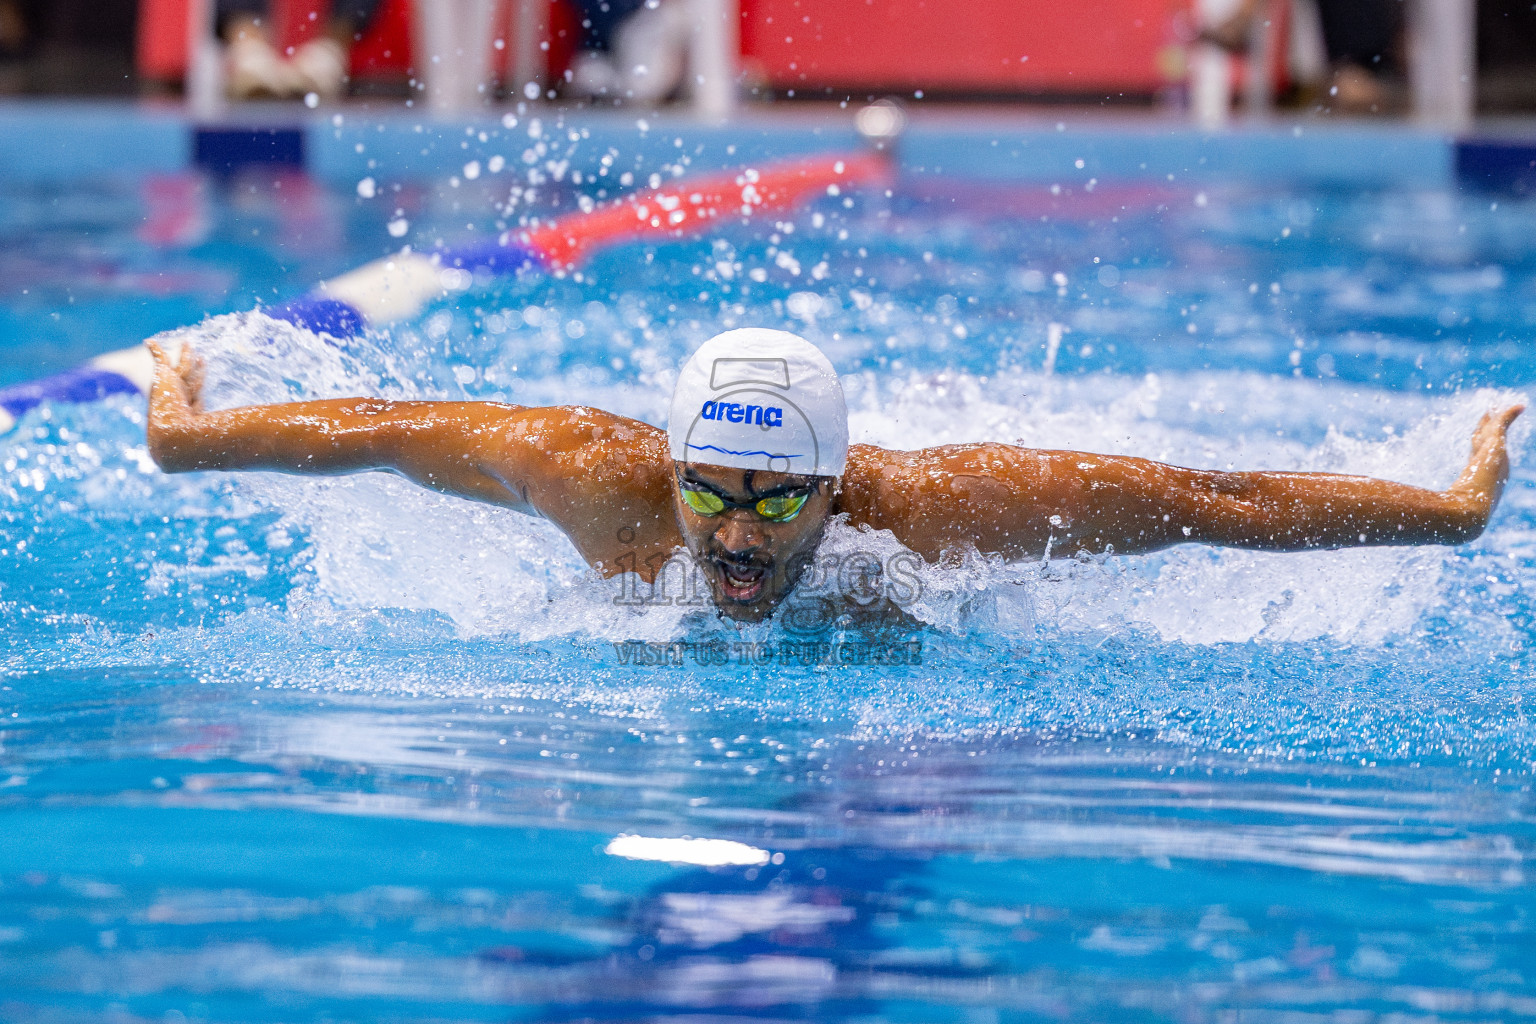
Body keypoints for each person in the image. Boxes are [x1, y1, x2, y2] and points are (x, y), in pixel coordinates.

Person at [145, 328, 1522, 623]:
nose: (734, 539)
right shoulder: (592, 476)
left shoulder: (935, 512)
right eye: (713, 494)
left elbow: (1220, 502)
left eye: (778, 499)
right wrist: (180, 426)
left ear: (839, 485)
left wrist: (1456, 509)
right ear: (674, 467)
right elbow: (378, 423)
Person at [219, 0, 381, 100]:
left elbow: (355, 12)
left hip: (360, 79)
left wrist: (326, 51)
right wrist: (251, 51)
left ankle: (322, 57)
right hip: (252, 55)